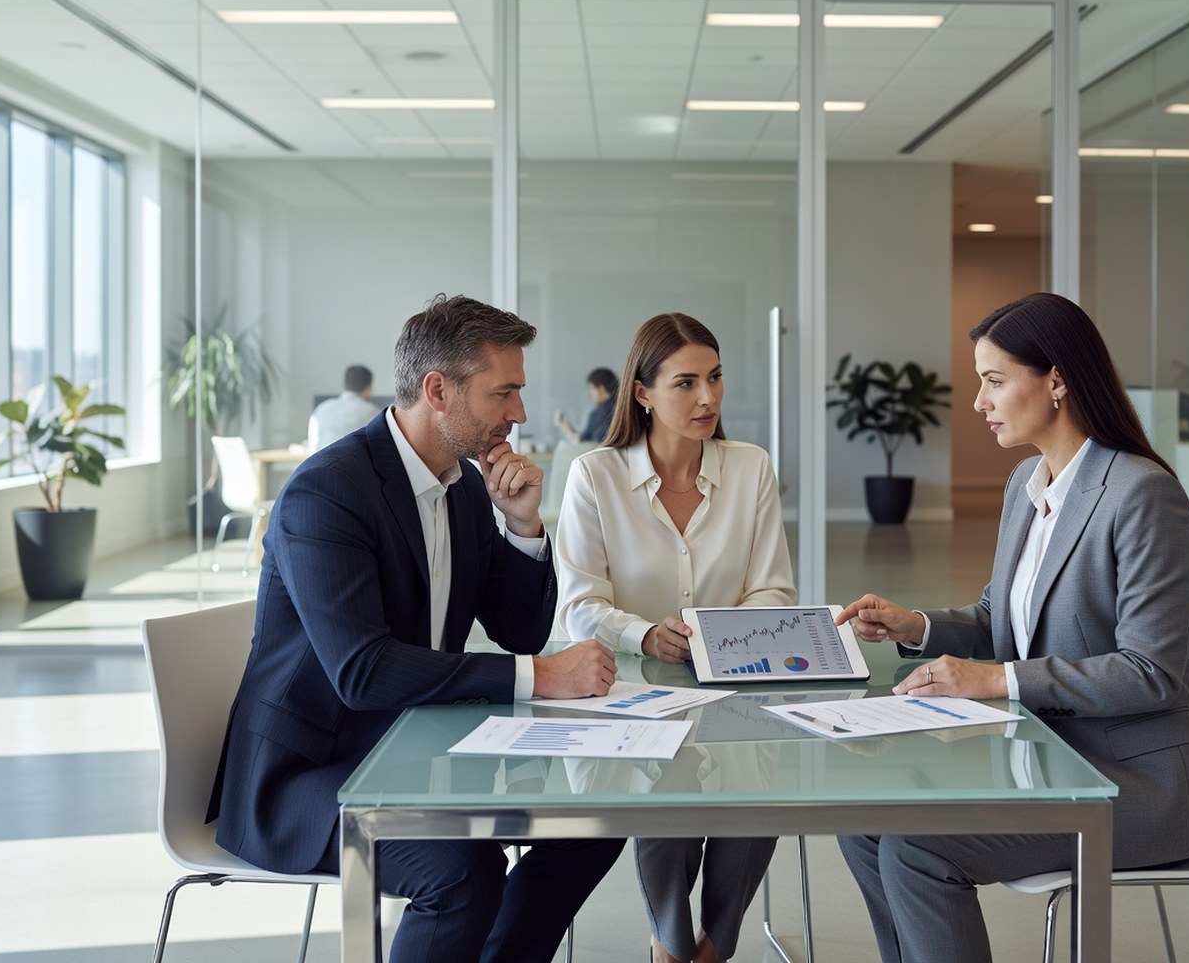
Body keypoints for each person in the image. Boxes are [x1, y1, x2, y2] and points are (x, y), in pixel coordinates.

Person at [207, 295, 623, 963]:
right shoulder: (327, 493)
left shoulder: (460, 485)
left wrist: (521, 525)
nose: (518, 413)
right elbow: (363, 673)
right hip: (311, 773)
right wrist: (542, 676)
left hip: (418, 740)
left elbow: (517, 627)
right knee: (460, 870)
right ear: (438, 391)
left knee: (598, 819)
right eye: (504, 393)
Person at [834, 292, 1189, 963]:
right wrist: (917, 627)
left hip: (1137, 784)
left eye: (994, 381)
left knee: (918, 850)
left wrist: (994, 679)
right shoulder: (1028, 482)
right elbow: (1003, 619)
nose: (979, 402)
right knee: (866, 825)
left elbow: (1150, 673)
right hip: (1051, 758)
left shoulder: (1142, 495)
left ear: (1056, 380)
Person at [553, 312, 796, 963]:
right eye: (685, 383)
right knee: (663, 777)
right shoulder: (594, 476)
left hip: (736, 686)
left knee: (756, 776)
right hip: (629, 694)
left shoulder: (750, 469)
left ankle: (712, 944)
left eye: (715, 379)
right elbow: (580, 605)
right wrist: (643, 636)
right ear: (642, 393)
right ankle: (672, 938)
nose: (708, 397)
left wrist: (719, 637)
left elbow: (774, 591)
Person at [307, 363, 381, 452]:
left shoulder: (321, 409)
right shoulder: (374, 413)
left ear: (344, 385)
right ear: (369, 388)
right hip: (355, 464)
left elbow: (312, 445)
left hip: (320, 463)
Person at [554, 365, 618, 443]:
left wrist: (563, 426)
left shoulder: (599, 413)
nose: (590, 394)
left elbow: (585, 442)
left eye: (591, 388)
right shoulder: (624, 408)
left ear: (601, 389)